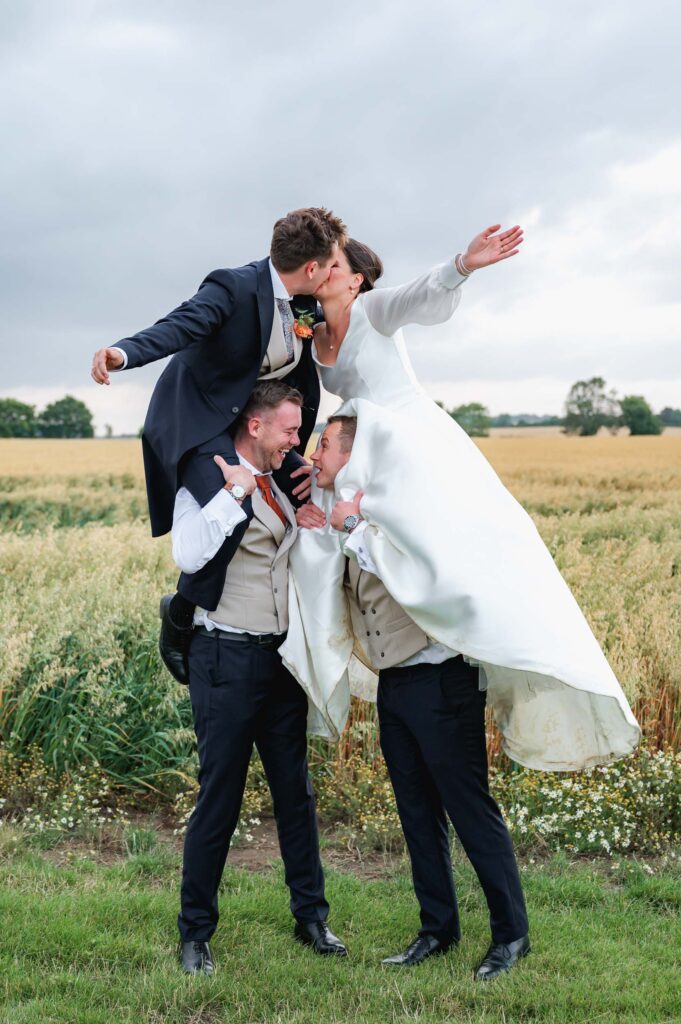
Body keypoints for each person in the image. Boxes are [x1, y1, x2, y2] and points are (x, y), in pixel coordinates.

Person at [279, 227, 640, 777]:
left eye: (335, 266)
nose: (325, 272)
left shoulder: (374, 310)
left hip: (408, 444)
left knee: (457, 549)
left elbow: (419, 295)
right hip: (363, 452)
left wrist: (462, 266)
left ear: (355, 280)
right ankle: (329, 662)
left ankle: (480, 638)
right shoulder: (313, 330)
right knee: (331, 544)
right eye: (321, 265)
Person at [297, 416, 529, 979]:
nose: (315, 450)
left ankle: (511, 936)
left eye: (324, 443)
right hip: (394, 683)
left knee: (470, 809)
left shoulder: (406, 502)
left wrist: (349, 522)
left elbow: (417, 573)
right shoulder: (344, 501)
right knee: (416, 813)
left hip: (443, 678)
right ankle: (437, 929)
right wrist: (322, 523)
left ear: (354, 451)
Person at [90, 207, 347, 683]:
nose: (335, 272)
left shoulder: (304, 302)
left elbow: (306, 368)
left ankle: (291, 618)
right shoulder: (232, 287)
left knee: (298, 489)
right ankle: (182, 611)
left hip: (256, 421)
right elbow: (180, 325)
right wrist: (123, 353)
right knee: (240, 503)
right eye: (331, 265)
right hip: (200, 422)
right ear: (310, 268)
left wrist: (295, 445)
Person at [171, 380, 347, 975]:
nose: (297, 441)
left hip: (279, 661)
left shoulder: (282, 480)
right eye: (290, 430)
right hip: (223, 658)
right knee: (219, 799)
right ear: (255, 426)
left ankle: (312, 918)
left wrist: (317, 523)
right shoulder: (206, 475)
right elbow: (189, 556)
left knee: (294, 793)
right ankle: (195, 934)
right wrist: (232, 495)